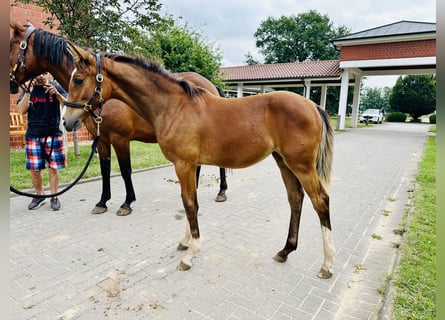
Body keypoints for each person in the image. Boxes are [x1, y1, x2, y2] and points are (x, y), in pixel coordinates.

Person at [17, 72, 67, 210]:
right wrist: (28, 92)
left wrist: (57, 93)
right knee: (34, 169)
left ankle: (54, 195)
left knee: (53, 168)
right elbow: (21, 110)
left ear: (50, 74)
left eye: (44, 73)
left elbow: (67, 104)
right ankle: (39, 195)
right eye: (38, 73)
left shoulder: (56, 86)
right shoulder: (28, 88)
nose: (41, 76)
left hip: (53, 134)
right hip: (33, 134)